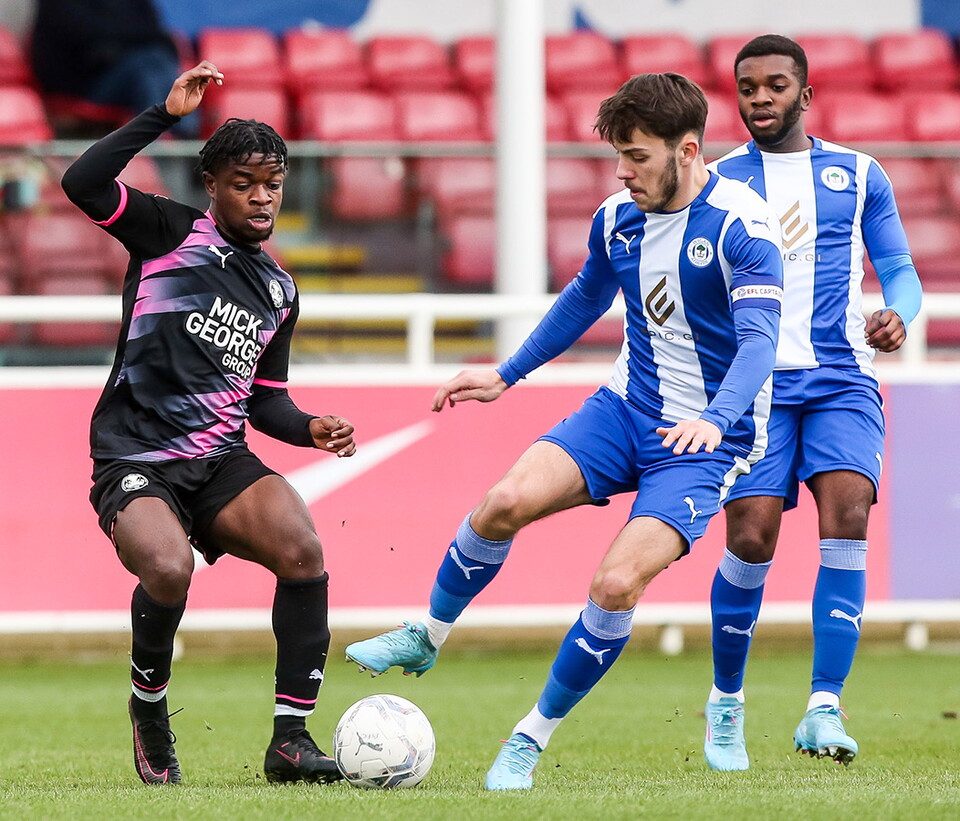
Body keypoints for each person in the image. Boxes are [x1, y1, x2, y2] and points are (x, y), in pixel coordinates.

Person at [345, 72, 784, 790]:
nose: (621, 172)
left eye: (637, 156)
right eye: (617, 155)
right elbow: (587, 294)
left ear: (689, 151)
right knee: (501, 502)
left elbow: (761, 340)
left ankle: (529, 736)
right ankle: (427, 633)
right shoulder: (618, 218)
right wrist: (506, 373)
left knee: (614, 583)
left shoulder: (743, 227)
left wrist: (714, 418)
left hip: (708, 440)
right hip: (625, 409)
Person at [61, 62, 357, 786]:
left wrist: (309, 424)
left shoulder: (280, 289)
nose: (261, 198)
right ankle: (150, 707)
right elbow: (81, 183)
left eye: (273, 184)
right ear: (214, 187)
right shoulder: (167, 231)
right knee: (168, 566)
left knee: (301, 546)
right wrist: (162, 114)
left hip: (220, 460)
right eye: (244, 184)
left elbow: (265, 399)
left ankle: (291, 740)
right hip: (136, 456)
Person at [702, 34, 923, 771]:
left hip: (841, 377)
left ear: (806, 93)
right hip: (756, 386)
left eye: (774, 84)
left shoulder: (859, 174)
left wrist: (899, 312)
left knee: (848, 512)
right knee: (752, 537)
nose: (759, 97)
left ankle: (824, 704)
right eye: (747, 86)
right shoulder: (718, 182)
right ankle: (726, 702)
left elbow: (897, 267)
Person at [30, 0, 193, 137]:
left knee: (158, 61)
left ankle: (176, 136)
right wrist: (133, 39)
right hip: (86, 85)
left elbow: (156, 33)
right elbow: (88, 41)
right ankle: (174, 141)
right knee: (148, 65)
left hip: (131, 73)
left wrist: (126, 40)